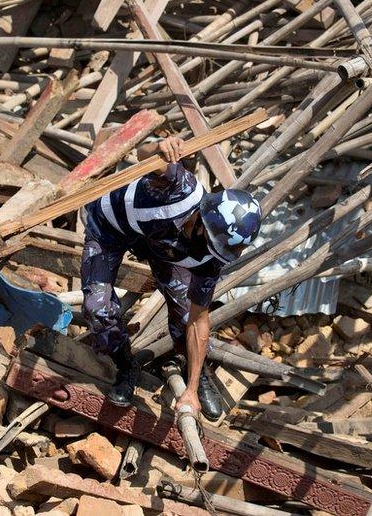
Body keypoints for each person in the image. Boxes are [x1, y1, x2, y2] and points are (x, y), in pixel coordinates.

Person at [81, 135, 262, 420]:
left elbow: (198, 319)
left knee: (183, 316)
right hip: (110, 228)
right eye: (212, 244)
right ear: (203, 223)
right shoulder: (179, 188)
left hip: (161, 245)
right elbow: (144, 153)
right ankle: (126, 365)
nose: (213, 253)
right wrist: (160, 146)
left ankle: (196, 373)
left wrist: (188, 390)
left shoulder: (213, 255)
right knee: (98, 309)